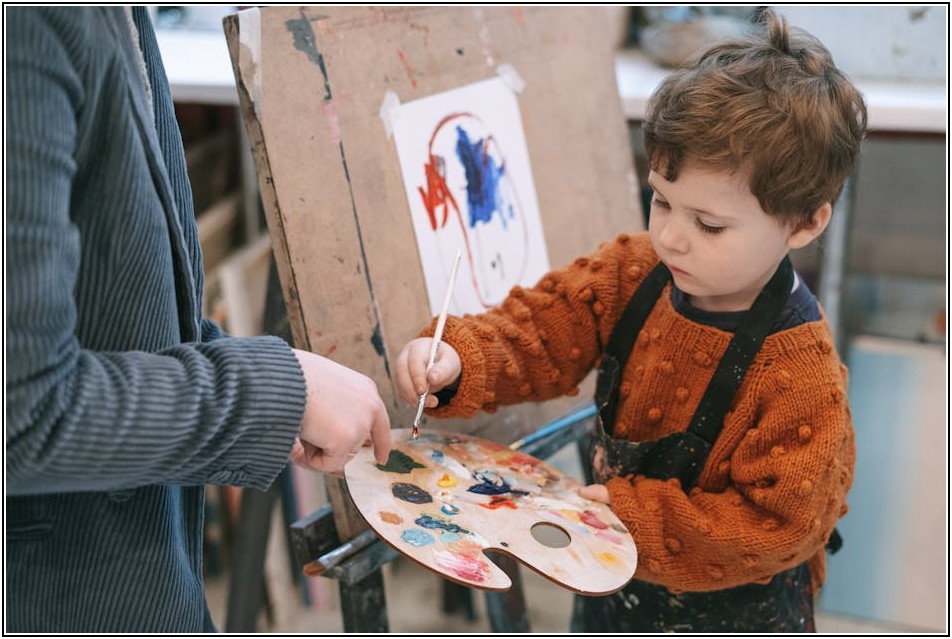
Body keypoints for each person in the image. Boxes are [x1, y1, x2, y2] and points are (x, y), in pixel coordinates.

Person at [395, 8, 865, 633]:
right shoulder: (633, 272)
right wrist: (461, 358)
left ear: (805, 223)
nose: (671, 236)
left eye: (709, 225)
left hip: (736, 610)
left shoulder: (800, 376)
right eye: (661, 200)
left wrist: (636, 520)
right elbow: (540, 331)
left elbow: (779, 527)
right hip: (613, 577)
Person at [6, 6, 391, 633]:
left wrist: (266, 387)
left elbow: (115, 309)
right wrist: (271, 393)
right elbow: (18, 410)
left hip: (135, 564)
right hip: (54, 592)